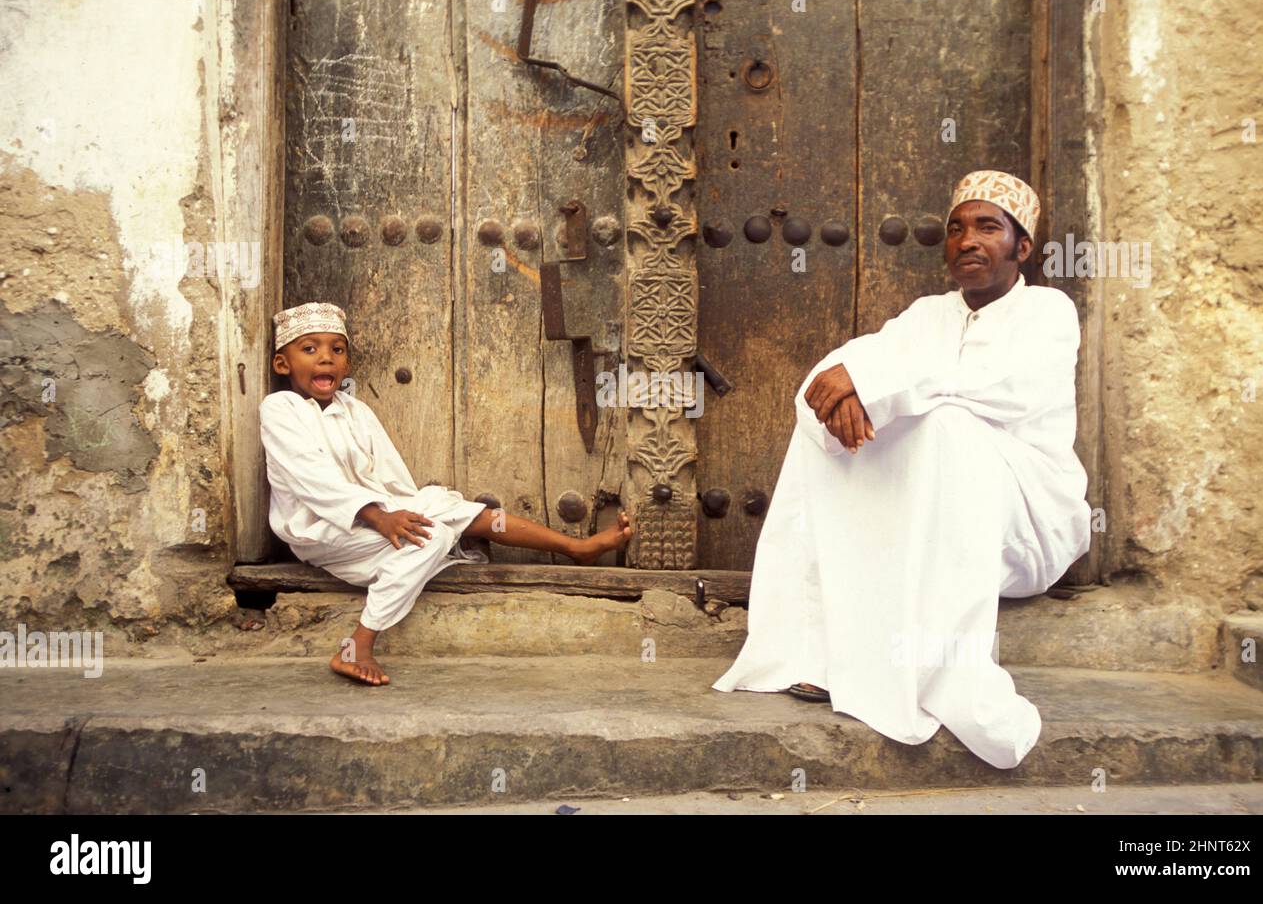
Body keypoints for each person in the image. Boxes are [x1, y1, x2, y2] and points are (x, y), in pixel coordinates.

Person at [711, 170, 1091, 769]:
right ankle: (814, 654)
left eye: (988, 227)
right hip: (937, 511)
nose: (967, 240)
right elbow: (857, 363)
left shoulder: (1048, 312)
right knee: (833, 431)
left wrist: (873, 385)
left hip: (1026, 522)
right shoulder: (928, 314)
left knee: (948, 426)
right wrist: (842, 391)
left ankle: (930, 670)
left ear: (1022, 247)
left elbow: (993, 387)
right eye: (956, 228)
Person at [260, 302, 633, 685]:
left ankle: (576, 548)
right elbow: (312, 479)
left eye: (337, 350)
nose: (326, 359)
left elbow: (391, 477)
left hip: (372, 518)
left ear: (348, 364)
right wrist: (381, 517)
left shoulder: (356, 411)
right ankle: (357, 645)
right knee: (432, 534)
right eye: (310, 350)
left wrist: (409, 508)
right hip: (320, 531)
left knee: (450, 509)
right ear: (282, 364)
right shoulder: (279, 408)